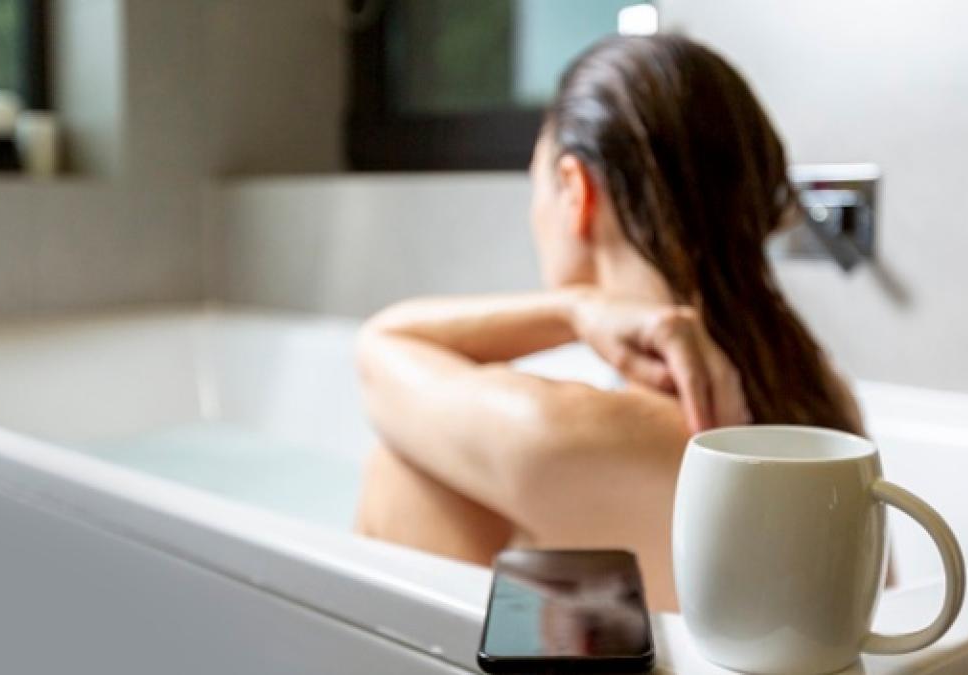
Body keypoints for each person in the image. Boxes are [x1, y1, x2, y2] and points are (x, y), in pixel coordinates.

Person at [355, 34, 864, 611]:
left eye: (537, 184)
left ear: (575, 190)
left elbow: (382, 345)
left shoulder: (562, 433)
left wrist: (576, 309)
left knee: (409, 465)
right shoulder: (823, 393)